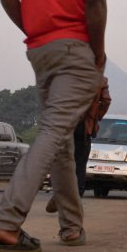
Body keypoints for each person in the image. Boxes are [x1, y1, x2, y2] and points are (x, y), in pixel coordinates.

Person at [0, 0, 114, 252]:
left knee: (59, 142)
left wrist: (37, 28)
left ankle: (71, 228)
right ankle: (6, 223)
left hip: (40, 51)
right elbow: (95, 2)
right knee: (52, 134)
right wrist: (98, 52)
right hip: (77, 50)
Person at [47, 76, 112, 213]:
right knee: (79, 166)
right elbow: (106, 101)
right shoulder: (100, 79)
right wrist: (94, 117)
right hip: (84, 128)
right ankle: (76, 202)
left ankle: (59, 195)